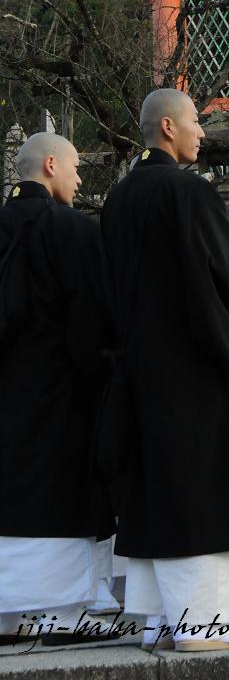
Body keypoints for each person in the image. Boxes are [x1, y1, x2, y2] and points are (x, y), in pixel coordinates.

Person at [100, 89, 229, 654]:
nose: (202, 132)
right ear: (168, 128)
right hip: (193, 365)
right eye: (196, 122)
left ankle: (156, 618)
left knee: (153, 488)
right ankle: (199, 624)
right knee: (200, 489)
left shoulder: (119, 198)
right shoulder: (189, 193)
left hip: (135, 367)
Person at [0, 133, 113, 646]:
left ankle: (6, 617)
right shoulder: (71, 230)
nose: (79, 177)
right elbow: (92, 321)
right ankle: (60, 615)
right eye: (73, 167)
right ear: (49, 164)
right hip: (60, 388)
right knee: (59, 491)